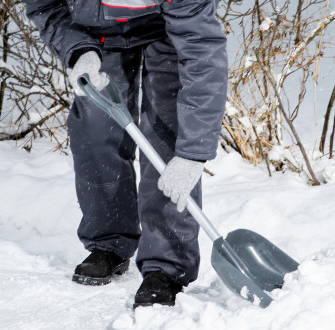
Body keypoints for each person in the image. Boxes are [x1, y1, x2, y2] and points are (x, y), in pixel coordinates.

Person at [24, 0, 228, 308]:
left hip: (168, 31)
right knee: (95, 133)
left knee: (167, 137)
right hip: (95, 35)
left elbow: (202, 52)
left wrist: (193, 154)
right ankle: (109, 242)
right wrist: (77, 48)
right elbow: (45, 6)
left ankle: (166, 265)